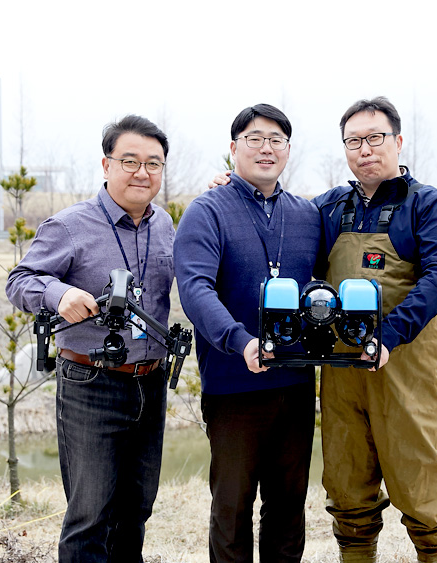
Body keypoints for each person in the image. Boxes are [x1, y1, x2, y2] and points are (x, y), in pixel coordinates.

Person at [6, 115, 175, 563]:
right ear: (106, 164)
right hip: (91, 380)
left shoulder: (165, 224)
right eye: (130, 161)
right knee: (91, 513)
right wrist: (58, 295)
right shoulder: (69, 225)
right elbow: (19, 280)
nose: (142, 172)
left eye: (153, 164)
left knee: (137, 507)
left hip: (151, 379)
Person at [313, 97, 437, 563]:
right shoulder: (328, 208)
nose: (365, 149)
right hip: (342, 375)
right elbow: (276, 229)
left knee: (425, 496)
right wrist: (231, 186)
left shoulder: (428, 205)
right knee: (348, 494)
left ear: (398, 141)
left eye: (375, 138)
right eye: (354, 141)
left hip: (406, 373)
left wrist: (390, 335)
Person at [174, 104, 321, 563]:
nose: (266, 148)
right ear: (233, 147)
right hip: (234, 384)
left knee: (288, 506)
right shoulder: (207, 210)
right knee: (233, 506)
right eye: (254, 138)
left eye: (276, 140)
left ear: (288, 150)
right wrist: (241, 341)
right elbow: (194, 288)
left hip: (296, 383)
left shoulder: (309, 214)